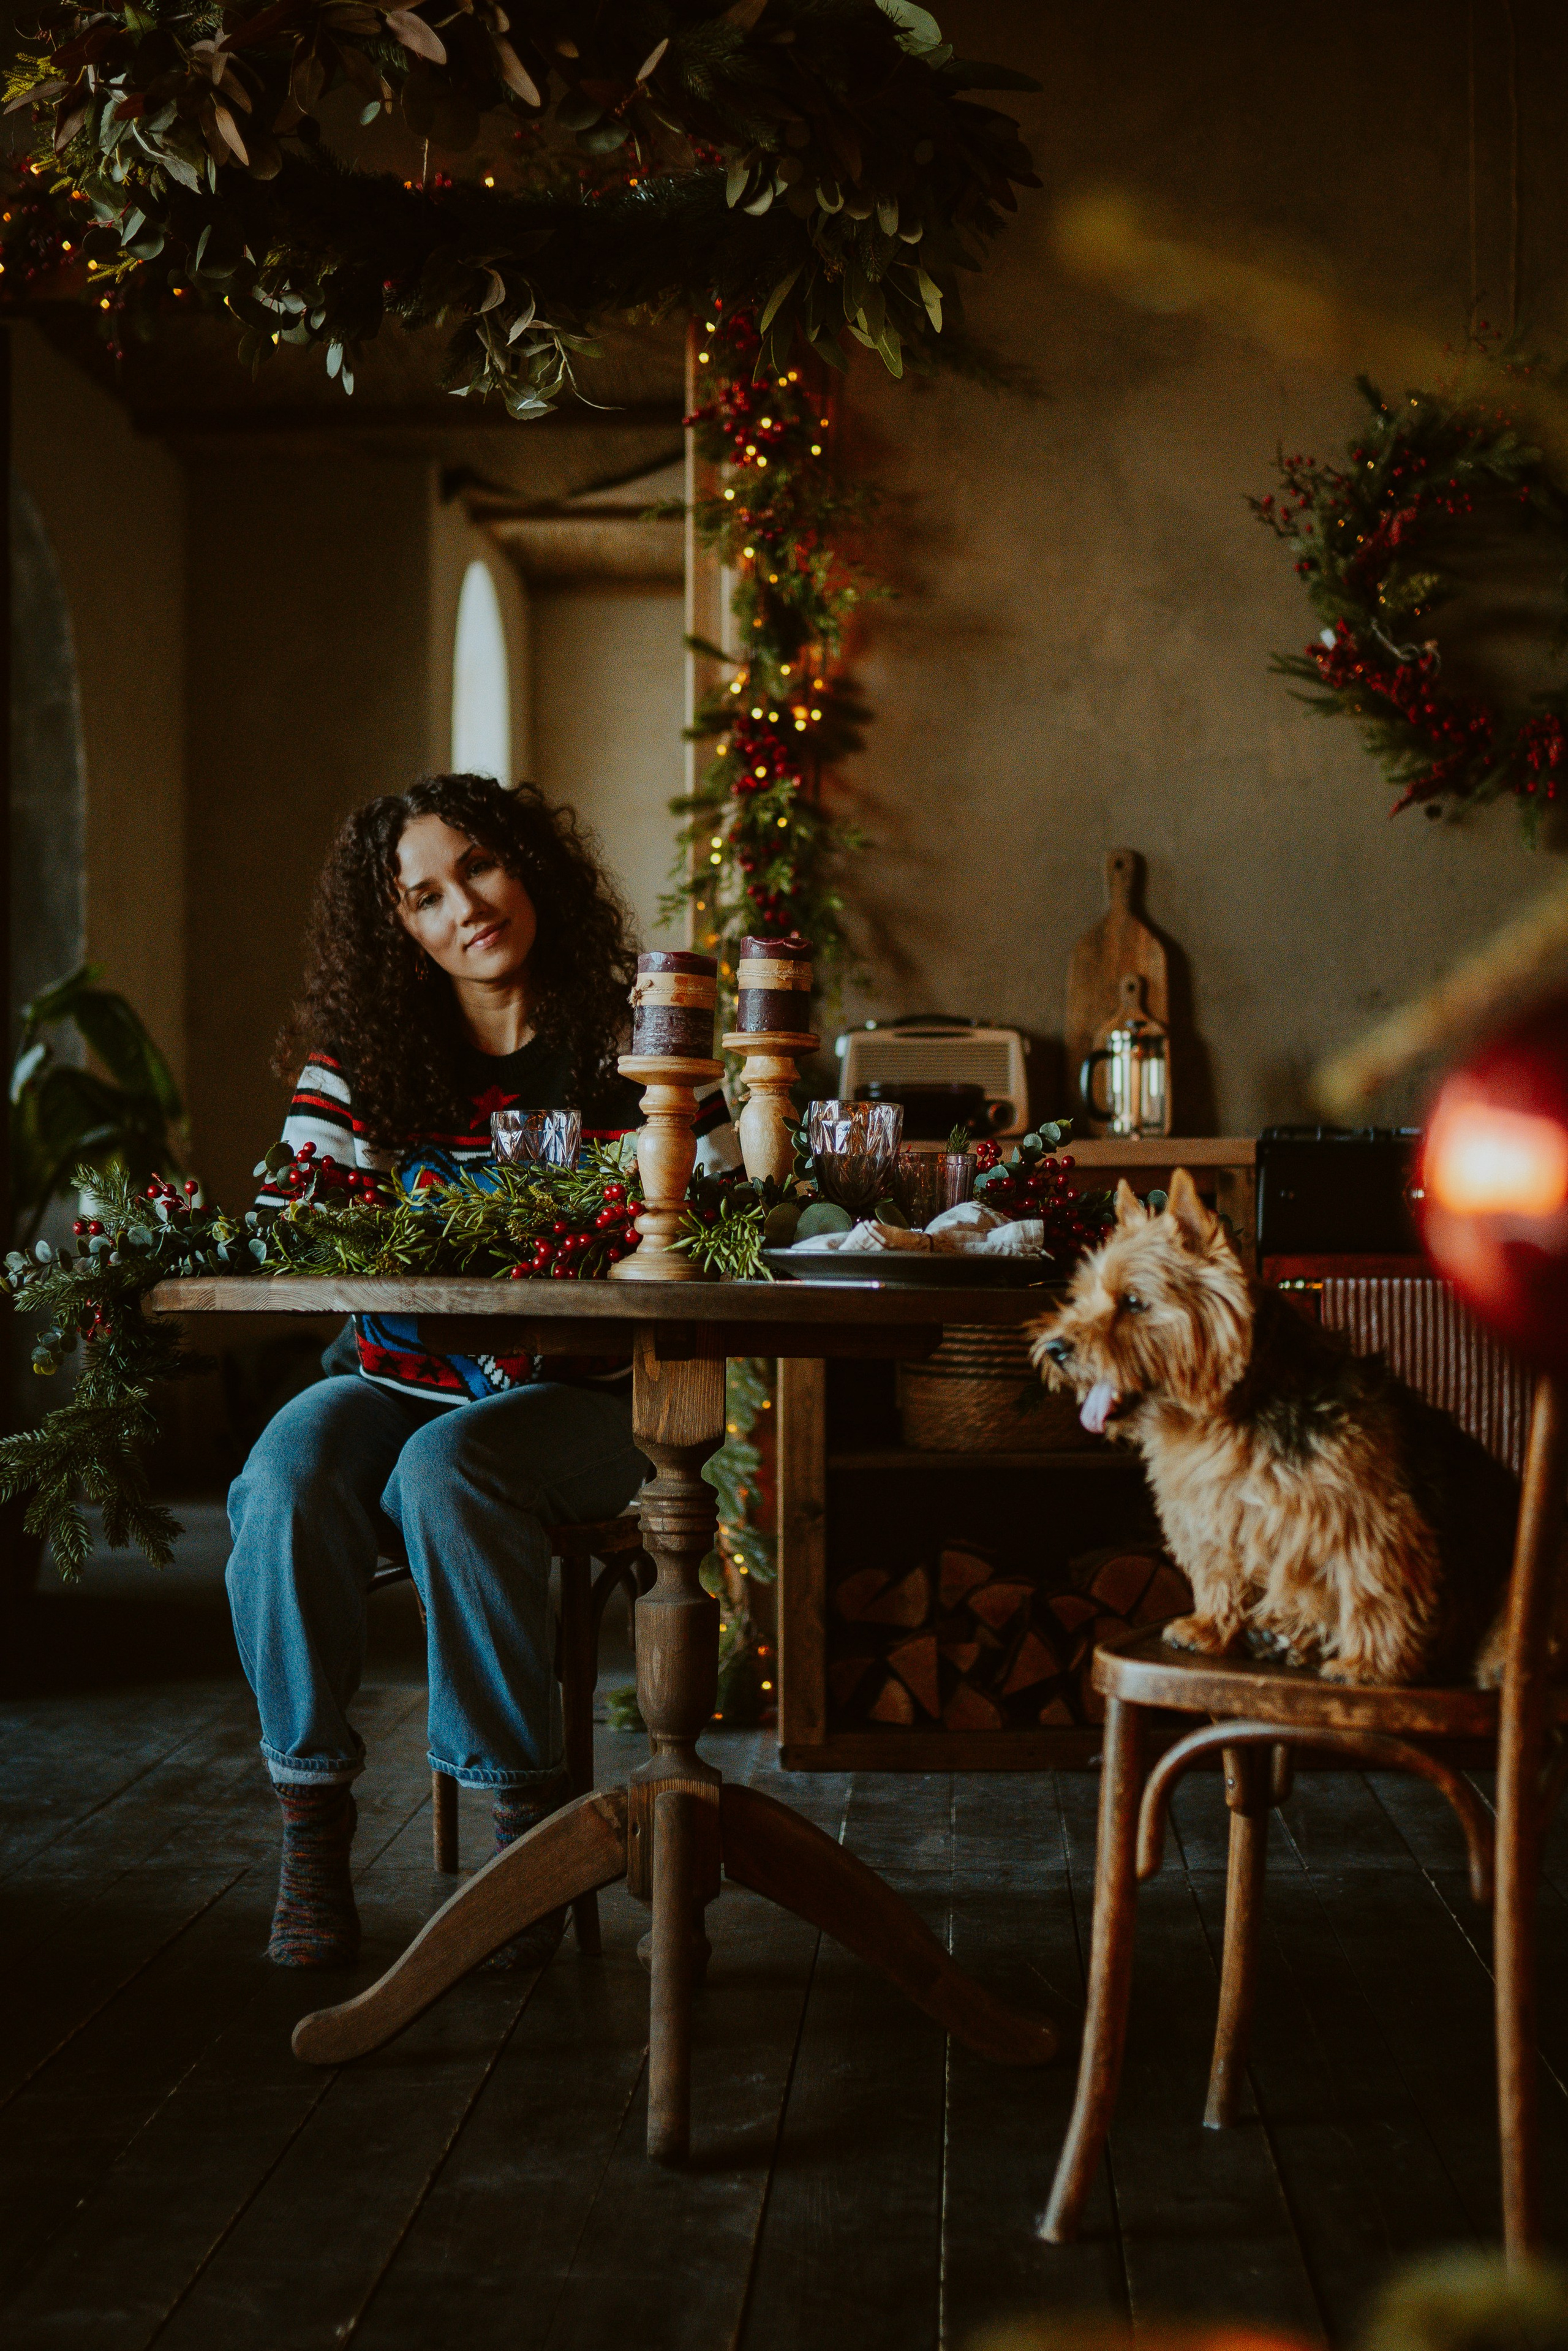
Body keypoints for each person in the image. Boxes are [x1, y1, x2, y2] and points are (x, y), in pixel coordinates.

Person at [224, 773, 737, 1968]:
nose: (464, 907)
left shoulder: (637, 1045)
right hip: (394, 1377)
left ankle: (525, 1831)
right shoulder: (363, 1065)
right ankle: (311, 1820)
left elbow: (721, 1222)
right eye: (423, 895)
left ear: (529, 866)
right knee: (281, 1480)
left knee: (449, 1471)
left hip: (593, 1398)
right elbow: (291, 1231)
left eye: (479, 868)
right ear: (396, 927)